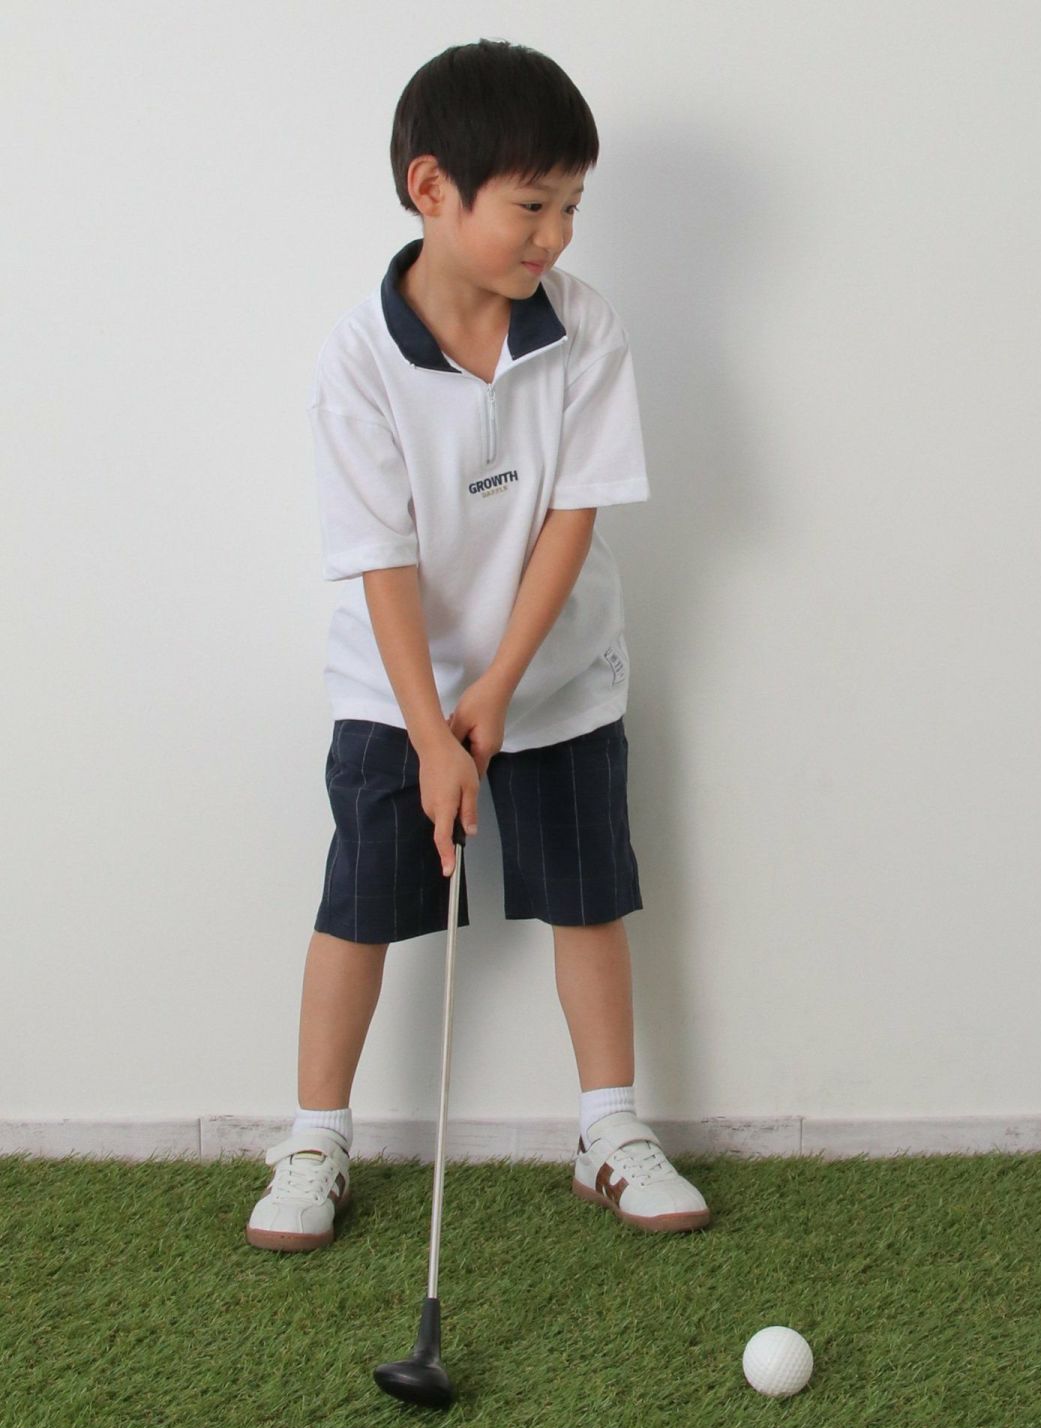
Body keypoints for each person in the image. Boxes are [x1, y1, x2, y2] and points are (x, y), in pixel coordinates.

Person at [246, 38, 710, 1251]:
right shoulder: (358, 359)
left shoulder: (583, 326)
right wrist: (431, 730)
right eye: (532, 205)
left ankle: (608, 1129)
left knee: (588, 899)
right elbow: (382, 560)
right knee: (359, 907)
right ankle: (314, 1138)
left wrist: (499, 690)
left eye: (573, 206)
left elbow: (573, 514)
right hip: (393, 686)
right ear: (431, 189)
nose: (557, 235)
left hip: (555, 676)